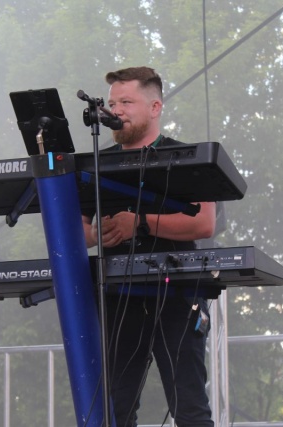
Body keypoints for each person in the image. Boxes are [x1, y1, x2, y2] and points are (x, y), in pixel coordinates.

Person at [81, 67, 216, 427]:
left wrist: (138, 222)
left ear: (155, 107)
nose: (116, 110)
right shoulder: (95, 162)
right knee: (116, 408)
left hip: (177, 292)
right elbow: (77, 231)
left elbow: (204, 222)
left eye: (126, 102)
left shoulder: (187, 156)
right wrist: (97, 233)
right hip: (117, 294)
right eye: (112, 103)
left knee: (189, 407)